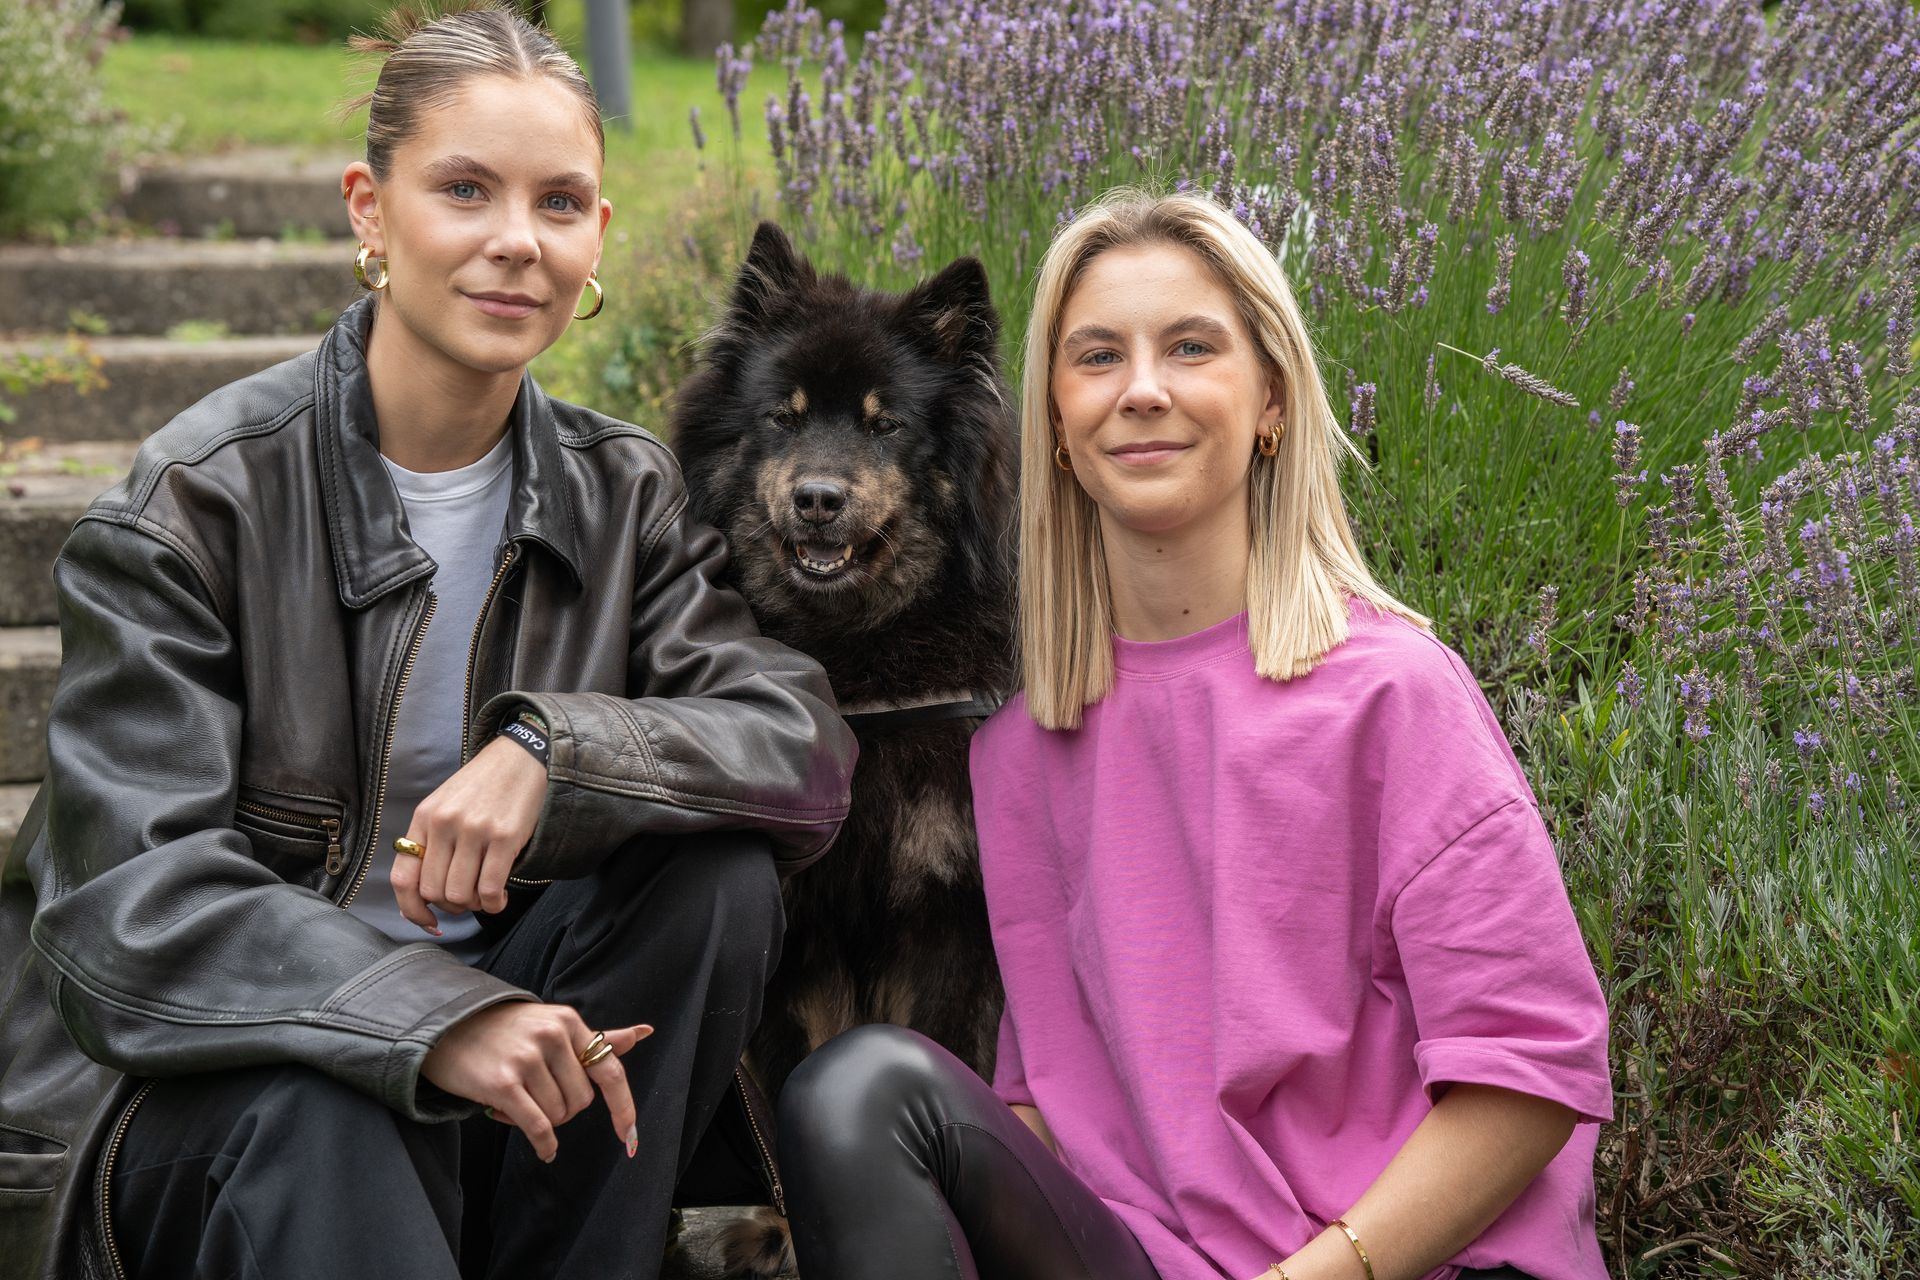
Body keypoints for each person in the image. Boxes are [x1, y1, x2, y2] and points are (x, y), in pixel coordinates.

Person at [0, 5, 856, 1279]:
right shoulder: (196, 500)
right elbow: (131, 904)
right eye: (465, 189)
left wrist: (553, 752)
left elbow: (800, 744)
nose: (516, 243)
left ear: (597, 237)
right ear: (369, 208)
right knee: (331, 1095)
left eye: (559, 203)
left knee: (713, 875)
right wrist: (434, 1014)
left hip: (510, 1091)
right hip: (209, 1100)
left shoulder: (620, 493)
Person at [773, 189, 1613, 1280]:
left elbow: (1529, 1076)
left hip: (1396, 1264)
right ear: (1058, 431)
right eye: (1097, 357)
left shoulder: (1394, 696)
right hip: (1144, 1258)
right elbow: (1048, 1116)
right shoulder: (1023, 753)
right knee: (860, 1089)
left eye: (1190, 347)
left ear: (1270, 401)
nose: (1143, 390)